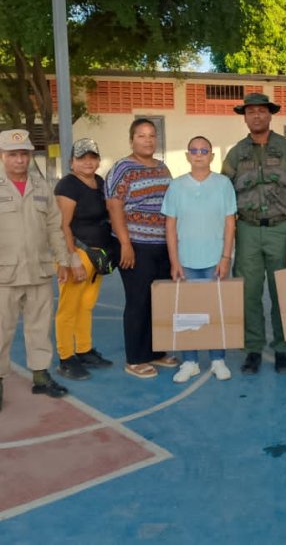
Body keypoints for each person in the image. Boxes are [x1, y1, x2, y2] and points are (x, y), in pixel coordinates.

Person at [0, 129, 70, 414]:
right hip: (3, 275)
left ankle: (40, 375)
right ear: (1, 156)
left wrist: (63, 260)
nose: (19, 160)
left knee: (40, 327)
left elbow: (54, 226)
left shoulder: (41, 187)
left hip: (38, 271)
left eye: (24, 153)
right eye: (13, 154)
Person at [222, 92, 286, 375]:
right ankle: (253, 349)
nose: (256, 116)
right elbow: (223, 192)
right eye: (250, 112)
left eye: (261, 111)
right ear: (244, 117)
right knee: (248, 292)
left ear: (270, 115)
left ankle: (283, 348)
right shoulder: (235, 153)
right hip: (246, 229)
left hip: (280, 229)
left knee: (282, 290)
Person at [105, 118, 179, 379]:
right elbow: (114, 207)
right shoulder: (122, 169)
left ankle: (156, 351)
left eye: (151, 135)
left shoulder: (162, 168)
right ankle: (135, 358)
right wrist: (125, 243)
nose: (147, 140)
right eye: (141, 136)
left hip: (161, 244)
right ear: (131, 140)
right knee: (138, 301)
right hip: (134, 244)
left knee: (158, 300)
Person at [163, 136, 236, 383]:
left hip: (215, 260)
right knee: (187, 314)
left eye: (204, 150)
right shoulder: (176, 186)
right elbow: (170, 225)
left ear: (211, 156)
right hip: (186, 261)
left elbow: (229, 223)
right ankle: (190, 361)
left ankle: (218, 359)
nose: (199, 154)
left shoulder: (224, 184)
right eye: (194, 150)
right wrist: (174, 261)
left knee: (216, 312)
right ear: (187, 155)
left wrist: (226, 256)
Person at [53, 138, 115, 381]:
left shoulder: (98, 182)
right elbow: (62, 225)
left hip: (97, 257)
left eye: (92, 157)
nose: (88, 162)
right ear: (72, 162)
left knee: (86, 305)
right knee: (68, 309)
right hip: (78, 254)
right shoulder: (68, 186)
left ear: (98, 160)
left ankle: (84, 349)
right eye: (82, 158)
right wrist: (70, 260)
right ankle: (66, 358)